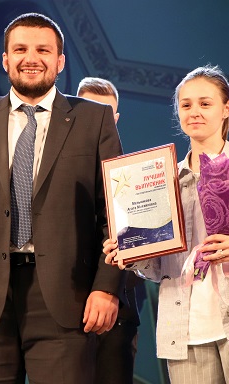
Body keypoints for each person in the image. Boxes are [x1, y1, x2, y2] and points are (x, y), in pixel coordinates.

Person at [0, 13, 125, 383]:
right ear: (5, 60)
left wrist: (106, 287)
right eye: (20, 49)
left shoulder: (94, 120)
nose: (30, 58)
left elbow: (115, 215)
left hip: (68, 297)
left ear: (60, 61)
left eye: (43, 50)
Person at [103, 64, 229, 384]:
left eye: (205, 103)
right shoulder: (163, 180)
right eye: (186, 104)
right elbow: (158, 269)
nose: (194, 112)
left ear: (227, 108)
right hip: (184, 331)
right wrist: (132, 255)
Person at [77, 77, 141, 384]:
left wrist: (110, 288)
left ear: (115, 119)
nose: (98, 119)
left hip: (118, 309)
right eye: (90, 110)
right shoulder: (47, 167)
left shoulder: (136, 173)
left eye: (105, 113)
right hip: (60, 309)